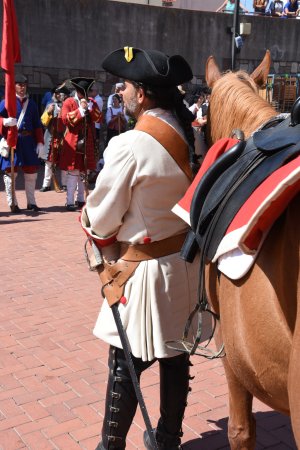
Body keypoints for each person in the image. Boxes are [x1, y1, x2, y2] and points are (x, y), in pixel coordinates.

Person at [81, 46, 201, 450]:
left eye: (127, 86)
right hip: (184, 264)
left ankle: (111, 445)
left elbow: (100, 221)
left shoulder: (130, 144)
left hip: (143, 269)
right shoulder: (191, 132)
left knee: (124, 362)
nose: (122, 93)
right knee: (175, 355)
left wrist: (95, 227)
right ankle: (168, 438)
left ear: (144, 94)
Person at [0, 74, 46, 212]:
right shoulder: (6, 102)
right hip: (13, 140)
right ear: (14, 86)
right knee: (10, 173)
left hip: (28, 141)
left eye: (24, 84)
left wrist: (39, 142)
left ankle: (31, 202)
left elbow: (37, 125)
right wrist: (4, 122)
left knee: (31, 172)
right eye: (19, 84)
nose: (22, 87)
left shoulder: (31, 104)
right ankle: (12, 203)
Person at [59, 77, 102, 211]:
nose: (85, 95)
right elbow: (65, 119)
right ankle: (69, 201)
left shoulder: (92, 102)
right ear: (77, 91)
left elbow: (98, 118)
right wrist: (80, 111)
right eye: (83, 92)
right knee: (74, 172)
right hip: (73, 142)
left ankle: (81, 199)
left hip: (88, 141)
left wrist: (90, 108)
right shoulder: (69, 102)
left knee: (85, 172)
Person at [40, 85, 70, 192]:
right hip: (51, 137)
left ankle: (65, 184)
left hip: (64, 138)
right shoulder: (50, 105)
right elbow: (43, 122)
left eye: (60, 93)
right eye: (56, 93)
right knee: (49, 162)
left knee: (64, 162)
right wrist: (48, 112)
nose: (58, 95)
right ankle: (46, 184)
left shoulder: (68, 106)